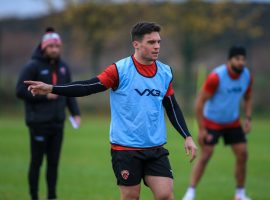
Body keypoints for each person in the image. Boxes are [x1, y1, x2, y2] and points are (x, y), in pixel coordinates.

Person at [24, 22, 197, 200]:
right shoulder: (120, 70)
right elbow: (88, 86)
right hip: (125, 149)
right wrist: (52, 88)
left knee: (165, 195)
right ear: (136, 44)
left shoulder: (165, 72)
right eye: (151, 42)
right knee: (131, 197)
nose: (157, 46)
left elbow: (172, 106)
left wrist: (187, 136)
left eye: (159, 42)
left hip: (155, 148)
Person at [16, 27, 81, 200]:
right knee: (36, 162)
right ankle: (34, 196)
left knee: (53, 164)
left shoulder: (64, 68)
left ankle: (52, 196)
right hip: (38, 123)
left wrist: (75, 112)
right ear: (43, 47)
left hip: (57, 123)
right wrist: (44, 96)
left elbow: (69, 91)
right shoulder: (32, 66)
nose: (54, 50)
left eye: (57, 47)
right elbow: (19, 91)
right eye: (51, 46)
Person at [182, 45, 253, 200]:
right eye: (237, 59)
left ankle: (240, 194)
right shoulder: (216, 77)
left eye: (243, 59)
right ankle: (190, 193)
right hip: (211, 122)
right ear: (229, 60)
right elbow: (199, 102)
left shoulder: (247, 75)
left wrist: (247, 118)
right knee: (206, 155)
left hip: (232, 122)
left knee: (243, 153)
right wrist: (201, 129)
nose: (241, 62)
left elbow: (247, 97)